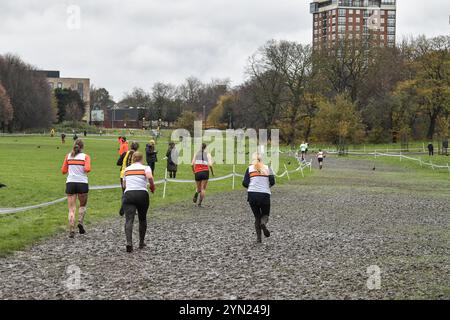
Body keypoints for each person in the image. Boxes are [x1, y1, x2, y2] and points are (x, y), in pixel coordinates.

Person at [122, 152, 155, 252]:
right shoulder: (146, 168)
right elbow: (150, 177)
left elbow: (124, 185)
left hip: (129, 195)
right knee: (142, 218)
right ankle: (141, 242)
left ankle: (129, 243)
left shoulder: (126, 169)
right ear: (141, 159)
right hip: (142, 194)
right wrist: (152, 187)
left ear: (132, 159)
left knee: (129, 220)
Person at [242, 153, 275, 243]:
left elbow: (245, 183)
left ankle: (258, 238)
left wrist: (253, 186)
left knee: (257, 217)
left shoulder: (249, 168)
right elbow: (272, 181)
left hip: (252, 195)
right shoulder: (268, 168)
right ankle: (263, 223)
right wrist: (267, 186)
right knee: (265, 215)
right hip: (264, 194)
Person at [61, 139, 91, 238]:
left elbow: (63, 171)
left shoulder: (68, 156)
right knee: (82, 205)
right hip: (82, 183)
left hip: (70, 183)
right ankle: (80, 223)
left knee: (71, 209)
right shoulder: (86, 157)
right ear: (82, 147)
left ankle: (72, 229)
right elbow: (87, 169)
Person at [117, 141, 140, 215]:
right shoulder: (137, 155)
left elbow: (118, 163)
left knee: (124, 192)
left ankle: (123, 207)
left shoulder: (125, 153)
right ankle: (133, 209)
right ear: (137, 148)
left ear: (130, 146)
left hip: (123, 175)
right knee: (134, 192)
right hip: (133, 175)